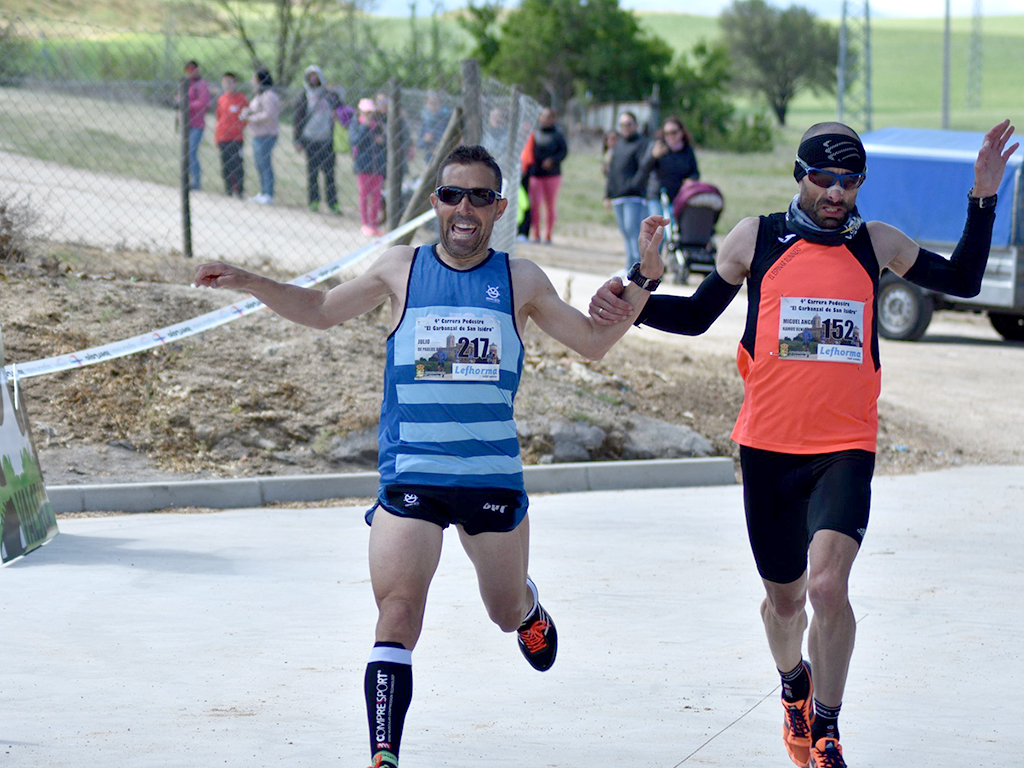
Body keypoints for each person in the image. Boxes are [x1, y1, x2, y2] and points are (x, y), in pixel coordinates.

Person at [194, 144, 666, 768]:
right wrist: (249, 280)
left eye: (478, 196)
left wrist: (646, 274)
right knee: (398, 612)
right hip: (411, 474)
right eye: (450, 195)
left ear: (499, 208)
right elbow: (319, 310)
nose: (463, 208)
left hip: (491, 477)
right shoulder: (400, 269)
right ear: (435, 205)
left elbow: (595, 341)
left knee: (500, 612)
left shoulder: (519, 280)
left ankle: (524, 603)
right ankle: (384, 756)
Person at [588, 120, 1018, 768]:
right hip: (766, 448)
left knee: (826, 589)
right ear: (800, 175)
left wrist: (982, 198)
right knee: (785, 602)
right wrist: (637, 287)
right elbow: (697, 316)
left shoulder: (877, 242)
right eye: (825, 180)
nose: (837, 194)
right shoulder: (756, 238)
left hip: (845, 446)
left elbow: (961, 278)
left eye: (850, 182)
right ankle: (794, 685)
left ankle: (826, 730)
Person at [294, 65, 343, 214]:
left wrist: (338, 114)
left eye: (316, 76)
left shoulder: (330, 95)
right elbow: (298, 119)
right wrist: (297, 140)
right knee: (312, 173)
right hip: (310, 139)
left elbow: (343, 109)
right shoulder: (304, 96)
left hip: (326, 139)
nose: (313, 79)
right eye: (310, 76)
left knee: (329, 173)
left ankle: (332, 203)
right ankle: (313, 201)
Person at [604, 111, 650, 270]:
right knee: (625, 231)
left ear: (636, 125)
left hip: (634, 196)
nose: (626, 128)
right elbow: (611, 171)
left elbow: (644, 168)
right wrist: (608, 194)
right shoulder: (618, 145)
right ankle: (629, 265)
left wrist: (635, 184)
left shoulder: (642, 144)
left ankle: (637, 266)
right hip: (618, 196)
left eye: (629, 124)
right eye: (622, 125)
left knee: (633, 231)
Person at [642, 116, 699, 219]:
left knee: (672, 228)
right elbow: (644, 169)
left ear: (681, 132)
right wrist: (653, 156)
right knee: (659, 228)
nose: (670, 136)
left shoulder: (687, 150)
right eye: (667, 133)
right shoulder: (658, 147)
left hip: (678, 196)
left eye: (674, 132)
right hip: (657, 195)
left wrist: (691, 180)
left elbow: (694, 172)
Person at [527, 107, 568, 244]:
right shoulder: (534, 133)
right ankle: (536, 233)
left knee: (550, 205)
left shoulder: (558, 135)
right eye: (544, 116)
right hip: (536, 174)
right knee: (535, 205)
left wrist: (553, 160)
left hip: (552, 175)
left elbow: (564, 152)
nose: (546, 119)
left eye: (549, 117)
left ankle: (548, 234)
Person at [241, 68, 281, 205]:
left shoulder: (269, 95)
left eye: (254, 79)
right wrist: (247, 112)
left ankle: (269, 193)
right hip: (257, 135)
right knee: (259, 164)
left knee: (265, 164)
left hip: (267, 135)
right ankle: (263, 191)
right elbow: (255, 109)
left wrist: (251, 118)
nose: (252, 82)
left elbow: (268, 115)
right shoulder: (259, 95)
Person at [350, 97, 387, 237]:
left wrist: (381, 141)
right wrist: (365, 127)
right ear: (360, 112)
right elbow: (355, 141)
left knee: (376, 196)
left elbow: (385, 142)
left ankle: (374, 224)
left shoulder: (378, 125)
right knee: (364, 195)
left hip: (377, 166)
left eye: (370, 112)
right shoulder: (357, 125)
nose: (368, 115)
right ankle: (365, 224)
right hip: (363, 166)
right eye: (365, 112)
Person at [214, 72, 248, 199]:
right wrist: (217, 136)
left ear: (235, 83)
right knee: (225, 165)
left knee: (237, 165)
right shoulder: (221, 99)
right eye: (225, 82)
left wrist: (239, 128)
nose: (228, 85)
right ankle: (228, 189)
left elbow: (245, 117)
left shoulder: (241, 99)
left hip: (236, 138)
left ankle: (239, 190)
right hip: (223, 137)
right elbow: (218, 119)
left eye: (230, 82)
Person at [183, 60, 210, 191]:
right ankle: (186, 179)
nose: (191, 72)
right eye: (188, 70)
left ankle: (196, 181)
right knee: (186, 153)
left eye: (193, 69)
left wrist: (188, 104)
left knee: (192, 152)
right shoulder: (187, 84)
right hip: (186, 124)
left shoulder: (201, 84)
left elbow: (204, 103)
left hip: (197, 124)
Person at [417, 90, 451, 164]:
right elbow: (419, 143)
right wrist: (425, 139)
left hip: (445, 154)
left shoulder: (447, 118)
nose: (433, 106)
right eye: (430, 103)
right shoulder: (425, 120)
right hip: (430, 156)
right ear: (425, 104)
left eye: (436, 103)